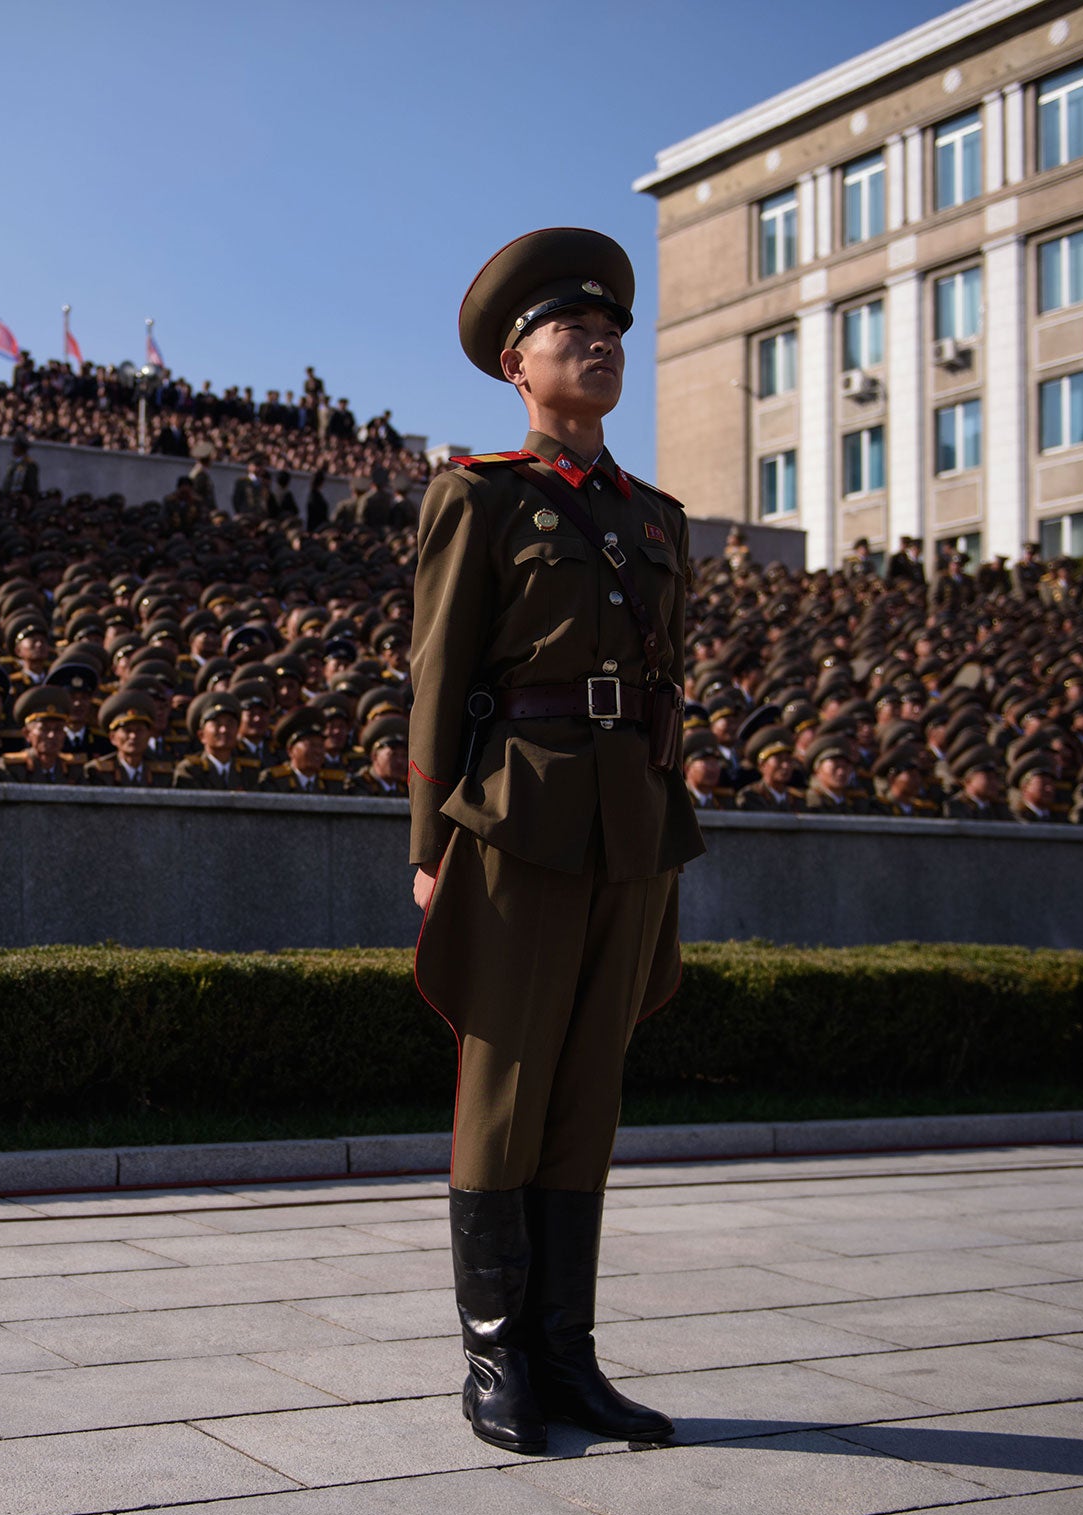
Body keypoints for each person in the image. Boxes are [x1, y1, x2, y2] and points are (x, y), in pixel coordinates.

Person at [409, 228, 696, 1451]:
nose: (600, 342)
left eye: (613, 331)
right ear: (514, 366)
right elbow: (435, 677)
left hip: (628, 822)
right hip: (517, 814)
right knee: (507, 1082)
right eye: (570, 331)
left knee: (586, 1091)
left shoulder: (657, 517)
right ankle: (492, 1363)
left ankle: (566, 1358)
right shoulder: (476, 495)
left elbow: (666, 680)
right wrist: (428, 846)